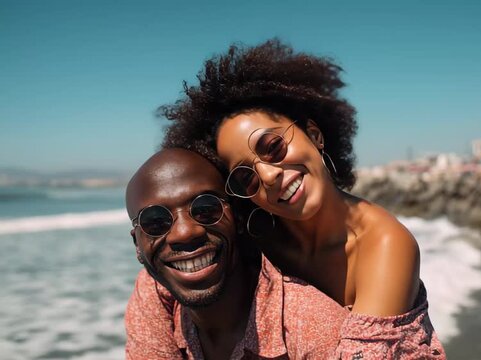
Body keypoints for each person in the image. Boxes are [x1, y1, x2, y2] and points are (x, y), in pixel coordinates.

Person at [161, 39, 446, 358]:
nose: (269, 175)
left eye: (273, 148)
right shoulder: (258, 238)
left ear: (315, 135)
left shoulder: (385, 245)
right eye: (246, 176)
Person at [125, 148, 349, 359]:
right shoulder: (153, 292)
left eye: (205, 209)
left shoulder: (312, 327)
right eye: (155, 222)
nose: (184, 233)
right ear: (138, 245)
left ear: (238, 218)